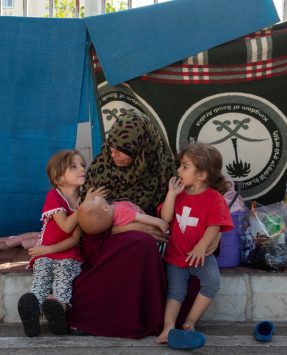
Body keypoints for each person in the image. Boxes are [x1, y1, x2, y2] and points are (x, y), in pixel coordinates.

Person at [65, 111, 221, 338]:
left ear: (142, 147)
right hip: (105, 238)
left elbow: (200, 202)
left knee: (194, 276)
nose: (114, 153)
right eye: (112, 146)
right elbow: (89, 222)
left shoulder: (166, 170)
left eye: (124, 149)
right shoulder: (102, 167)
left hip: (156, 239)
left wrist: (214, 236)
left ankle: (169, 321)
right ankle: (87, 315)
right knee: (140, 243)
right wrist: (126, 228)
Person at [18, 149, 106, 337]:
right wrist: (84, 206)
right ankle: (33, 315)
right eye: (74, 167)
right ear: (59, 178)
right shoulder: (54, 197)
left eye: (82, 165)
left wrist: (85, 205)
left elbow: (74, 238)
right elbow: (66, 226)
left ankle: (59, 312)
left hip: (70, 252)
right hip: (46, 252)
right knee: (42, 274)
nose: (82, 169)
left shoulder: (84, 201)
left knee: (64, 274)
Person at [156, 143, 234, 344]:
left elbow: (215, 225)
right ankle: (168, 327)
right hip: (176, 256)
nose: (179, 170)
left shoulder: (214, 198)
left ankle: (190, 320)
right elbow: (166, 217)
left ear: (202, 175)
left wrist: (201, 246)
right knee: (176, 291)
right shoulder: (179, 193)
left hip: (200, 256)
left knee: (212, 281)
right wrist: (171, 194)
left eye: (184, 166)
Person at [77, 196, 169, 235]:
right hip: (152, 228)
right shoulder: (121, 211)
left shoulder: (113, 214)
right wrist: (158, 222)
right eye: (93, 199)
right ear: (106, 208)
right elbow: (141, 217)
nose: (91, 197)